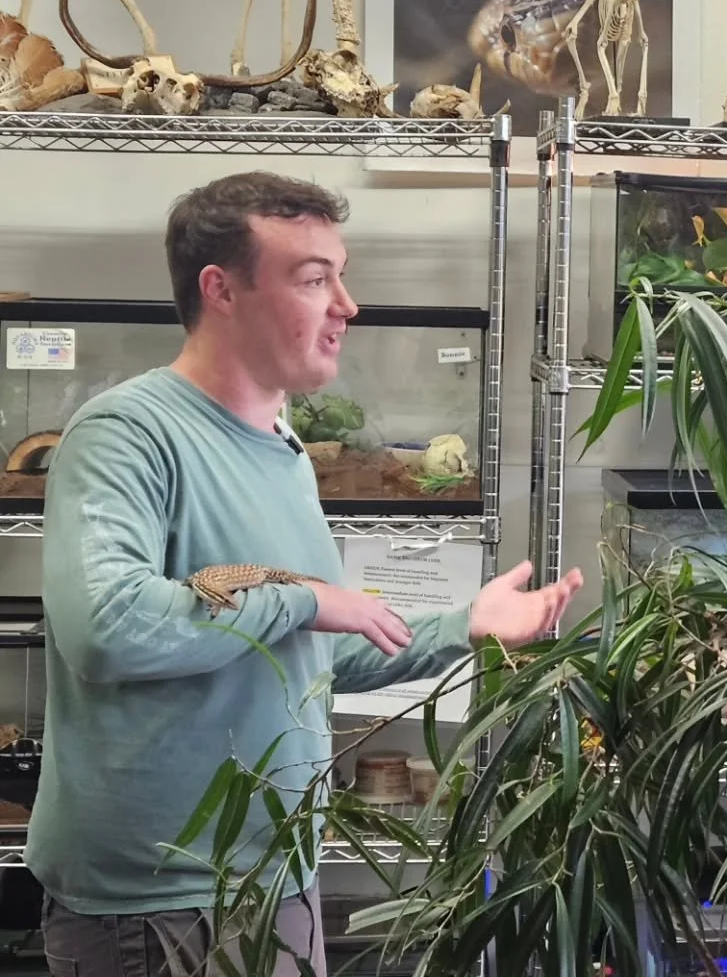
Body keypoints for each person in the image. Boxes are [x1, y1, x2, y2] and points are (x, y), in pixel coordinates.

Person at [28, 172, 584, 977]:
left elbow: (314, 651)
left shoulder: (284, 452)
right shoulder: (126, 435)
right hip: (158, 907)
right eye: (314, 279)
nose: (347, 305)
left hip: (277, 881)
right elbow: (107, 629)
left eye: (341, 274)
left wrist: (464, 626)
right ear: (221, 289)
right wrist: (303, 597)